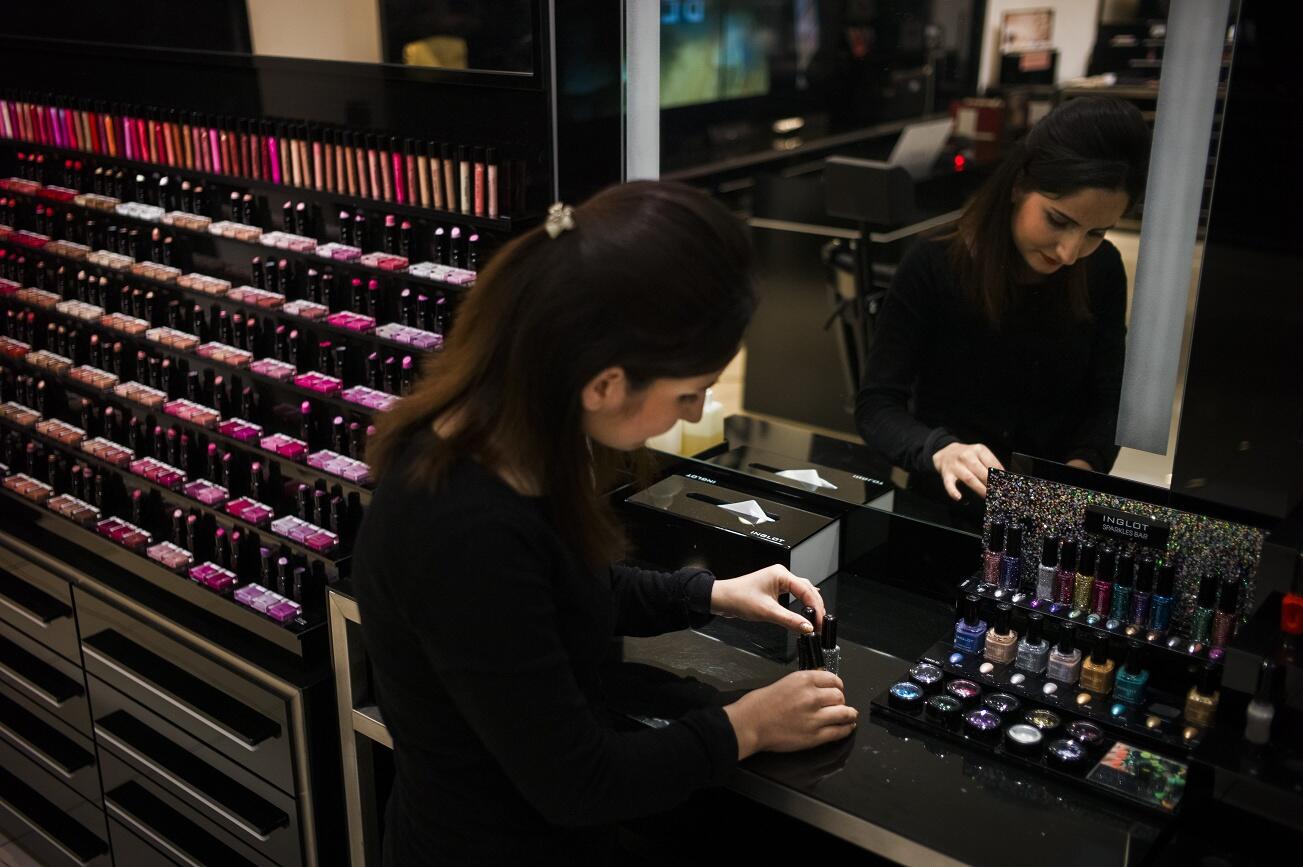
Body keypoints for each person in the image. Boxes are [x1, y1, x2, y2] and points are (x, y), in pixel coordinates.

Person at [354, 181, 857, 865]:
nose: (694, 413)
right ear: (604, 384)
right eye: (689, 393)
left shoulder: (522, 437)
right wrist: (747, 725)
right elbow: (578, 783)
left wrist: (710, 594)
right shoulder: (462, 531)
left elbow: (561, 590)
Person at [856, 96, 1151, 502]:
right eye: (1058, 220)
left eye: (1096, 233)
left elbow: (1108, 399)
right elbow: (876, 406)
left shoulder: (1102, 268)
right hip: (948, 502)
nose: (1069, 253)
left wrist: (1083, 467)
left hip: (1048, 505)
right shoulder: (934, 264)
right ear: (1018, 185)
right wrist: (941, 450)